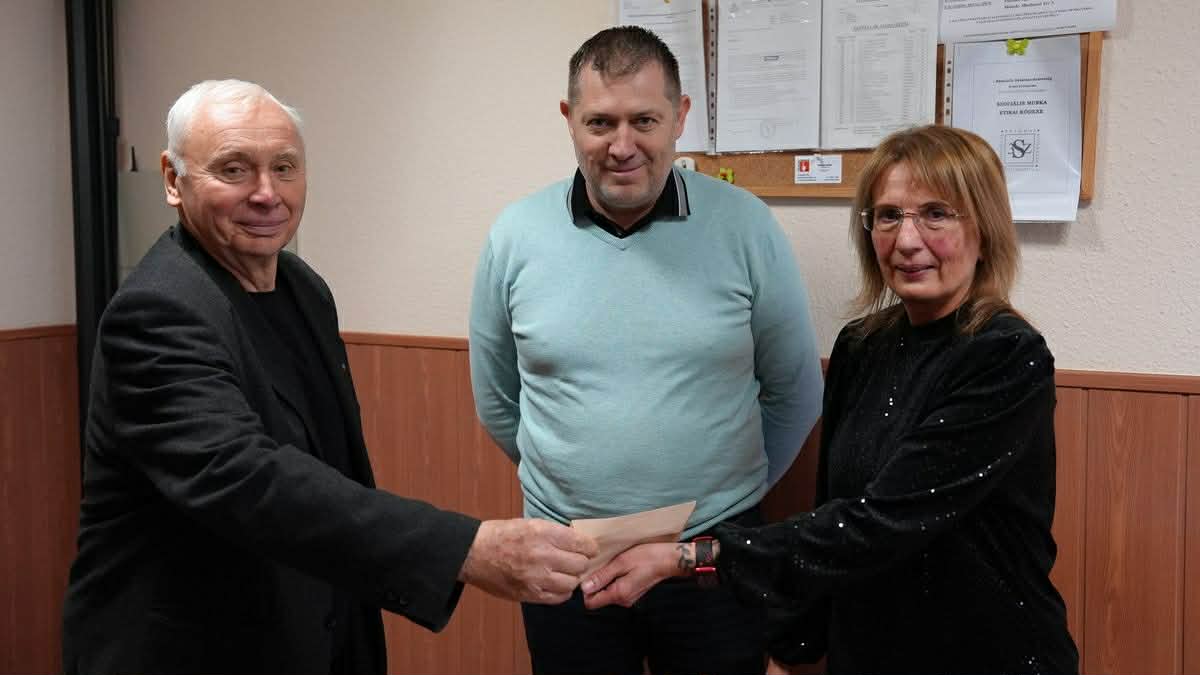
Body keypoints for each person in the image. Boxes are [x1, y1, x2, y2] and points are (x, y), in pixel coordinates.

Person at [61, 79, 597, 675]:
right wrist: (466, 548)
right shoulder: (157, 311)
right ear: (172, 179)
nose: (267, 194)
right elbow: (246, 477)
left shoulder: (303, 289)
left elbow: (331, 471)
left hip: (310, 631)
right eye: (234, 170)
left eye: (284, 167)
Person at [581, 124, 1080, 675]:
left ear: (984, 229)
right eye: (887, 216)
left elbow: (882, 523)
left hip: (986, 651)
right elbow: (833, 514)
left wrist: (690, 556)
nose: (906, 240)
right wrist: (791, 648)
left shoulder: (1006, 356)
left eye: (936, 214)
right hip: (868, 651)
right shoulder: (862, 346)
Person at [468, 26, 823, 675]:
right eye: (600, 122)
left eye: (645, 120)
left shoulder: (745, 226)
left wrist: (724, 499)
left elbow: (794, 392)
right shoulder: (514, 236)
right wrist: (575, 481)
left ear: (680, 117)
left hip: (711, 555)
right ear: (569, 119)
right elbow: (497, 400)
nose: (622, 145)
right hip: (567, 554)